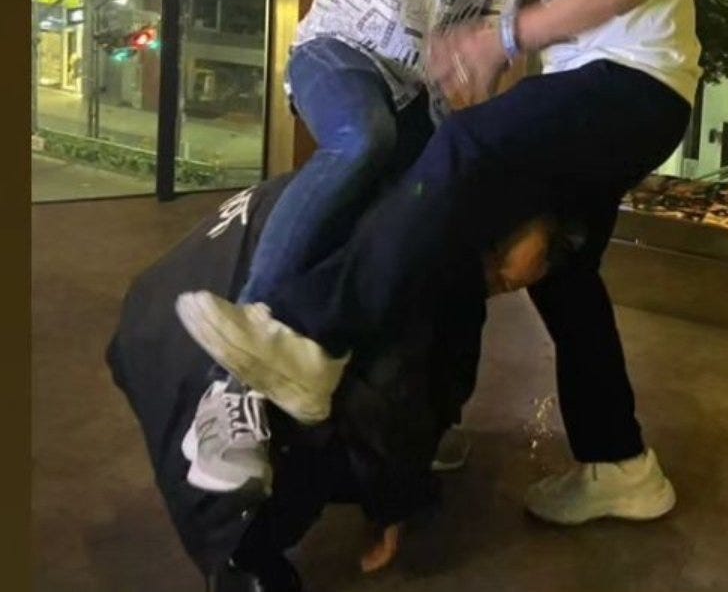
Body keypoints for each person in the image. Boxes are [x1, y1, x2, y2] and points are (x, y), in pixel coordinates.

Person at [176, 0, 702, 527]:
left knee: (462, 150)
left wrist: (500, 41)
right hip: (569, 88)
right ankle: (619, 462)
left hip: (632, 83)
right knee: (558, 273)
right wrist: (482, 61)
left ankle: (308, 335)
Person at [184, 0, 536, 498]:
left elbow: (501, 29)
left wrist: (477, 96)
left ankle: (410, 419)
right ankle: (229, 391)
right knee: (363, 137)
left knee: (432, 234)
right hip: (341, 54)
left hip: (426, 95)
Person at [108, 174, 568, 591]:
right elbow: (389, 391)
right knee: (286, 431)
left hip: (166, 302)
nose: (501, 287)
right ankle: (241, 555)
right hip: (190, 344)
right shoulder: (416, 254)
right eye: (499, 275)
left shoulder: (414, 190)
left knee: (320, 379)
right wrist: (393, 505)